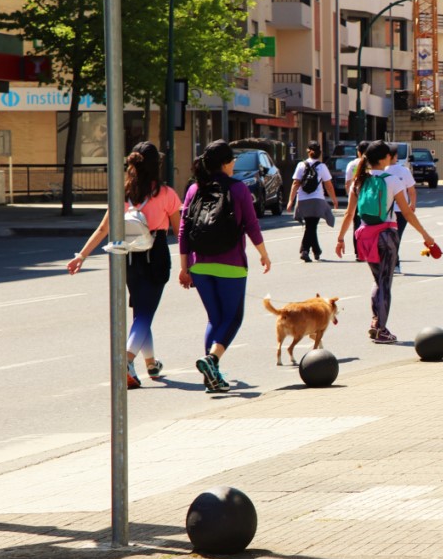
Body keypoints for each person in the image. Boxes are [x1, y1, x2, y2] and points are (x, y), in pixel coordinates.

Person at [67, 141, 181, 389]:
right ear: (156, 166)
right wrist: (187, 264)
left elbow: (103, 229)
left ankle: (151, 363)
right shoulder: (167, 194)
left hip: (127, 257)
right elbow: (179, 231)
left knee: (141, 311)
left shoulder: (123, 194)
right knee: (145, 314)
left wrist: (81, 256)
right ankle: (126, 360)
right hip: (156, 255)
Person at [178, 140, 271, 394]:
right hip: (231, 264)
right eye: (232, 161)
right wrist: (263, 255)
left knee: (215, 319)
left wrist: (184, 267)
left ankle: (212, 378)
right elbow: (252, 225)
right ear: (226, 163)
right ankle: (212, 360)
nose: (234, 165)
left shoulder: (194, 189)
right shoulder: (239, 189)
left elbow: (184, 230)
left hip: (200, 265)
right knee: (233, 318)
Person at [335, 140, 437, 343]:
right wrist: (425, 235)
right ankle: (380, 328)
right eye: (389, 155)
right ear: (384, 158)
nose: (392, 157)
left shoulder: (359, 181)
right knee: (385, 283)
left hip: (364, 235)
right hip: (386, 235)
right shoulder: (392, 180)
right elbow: (406, 212)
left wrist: (340, 239)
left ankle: (376, 323)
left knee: (378, 281)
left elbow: (349, 214)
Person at [288, 141, 336, 263]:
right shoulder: (322, 167)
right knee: (311, 226)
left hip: (303, 200)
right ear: (320, 153)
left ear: (308, 152)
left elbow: (295, 183)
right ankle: (304, 250)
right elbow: (329, 185)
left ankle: (316, 250)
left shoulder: (300, 165)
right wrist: (334, 200)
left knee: (310, 226)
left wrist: (290, 201)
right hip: (317, 200)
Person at [384, 143, 416, 275]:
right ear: (394, 156)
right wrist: (412, 204)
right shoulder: (404, 171)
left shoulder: (383, 171)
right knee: (396, 238)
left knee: (388, 238)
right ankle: (394, 264)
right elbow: (412, 190)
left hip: (385, 210)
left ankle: (393, 264)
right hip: (401, 210)